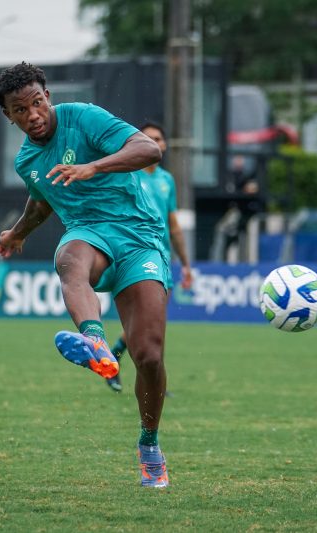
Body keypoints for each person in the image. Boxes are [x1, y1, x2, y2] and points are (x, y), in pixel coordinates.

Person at [0, 62, 171, 487]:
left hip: (139, 236)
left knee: (148, 355)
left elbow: (149, 150)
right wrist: (17, 233)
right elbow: (42, 202)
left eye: (37, 103)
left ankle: (149, 444)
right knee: (70, 259)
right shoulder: (27, 159)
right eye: (21, 110)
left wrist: (94, 167)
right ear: (9, 116)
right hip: (89, 235)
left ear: (48, 96)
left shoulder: (84, 118)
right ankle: (95, 342)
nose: (32, 115)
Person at [107, 121, 193, 393]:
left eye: (158, 138)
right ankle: (121, 363)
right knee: (145, 320)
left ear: (164, 144)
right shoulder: (130, 174)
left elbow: (174, 224)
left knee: (155, 321)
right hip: (136, 255)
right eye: (148, 138)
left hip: (163, 256)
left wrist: (186, 263)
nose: (154, 141)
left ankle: (141, 369)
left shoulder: (167, 180)